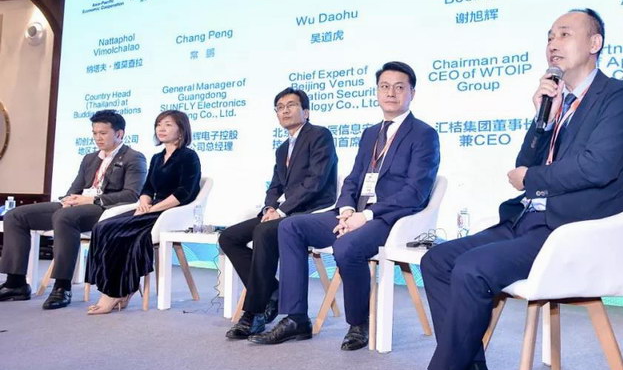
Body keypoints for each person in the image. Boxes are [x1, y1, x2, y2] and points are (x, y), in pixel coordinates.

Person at [373, 9, 623, 370]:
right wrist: (542, 118)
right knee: (438, 260)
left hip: (571, 232)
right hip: (529, 220)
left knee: (472, 268)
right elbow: (525, 164)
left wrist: (532, 178)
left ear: (595, 44)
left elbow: (598, 167)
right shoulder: (558, 103)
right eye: (549, 36)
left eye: (564, 34)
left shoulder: (620, 96)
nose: (553, 43)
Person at [249, 61, 440, 350]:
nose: (391, 93)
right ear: (377, 92)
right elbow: (353, 179)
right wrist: (348, 209)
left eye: (399, 87)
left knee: (346, 247)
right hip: (353, 213)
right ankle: (296, 318)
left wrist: (366, 215)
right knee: (290, 226)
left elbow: (415, 192)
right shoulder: (370, 133)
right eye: (385, 87)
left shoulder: (423, 134)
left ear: (412, 92)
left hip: (390, 219)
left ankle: (358, 323)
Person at [219, 88, 337, 340]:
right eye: (280, 107)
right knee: (228, 237)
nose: (284, 111)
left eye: (291, 105)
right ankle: (273, 290)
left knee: (264, 231)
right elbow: (275, 186)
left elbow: (315, 182)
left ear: (306, 112)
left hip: (313, 212)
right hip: (286, 212)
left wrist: (282, 210)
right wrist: (269, 208)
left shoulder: (319, 136)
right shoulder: (283, 148)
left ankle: (254, 313)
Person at [0, 110, 146, 309]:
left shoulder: (134, 158)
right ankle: (16, 283)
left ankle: (62, 286)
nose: (97, 138)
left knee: (64, 217)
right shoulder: (89, 158)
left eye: (103, 133)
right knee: (15, 216)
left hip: (105, 210)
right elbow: (75, 188)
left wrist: (91, 199)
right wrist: (69, 199)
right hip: (78, 206)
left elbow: (131, 195)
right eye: (95, 133)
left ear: (119, 134)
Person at [84, 110, 201, 314]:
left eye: (168, 125)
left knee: (119, 233)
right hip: (153, 208)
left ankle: (114, 293)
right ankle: (114, 288)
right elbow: (147, 188)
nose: (161, 129)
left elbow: (184, 193)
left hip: (172, 211)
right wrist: (144, 203)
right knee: (102, 227)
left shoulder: (189, 156)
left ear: (181, 130)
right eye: (159, 125)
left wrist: (152, 209)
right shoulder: (157, 158)